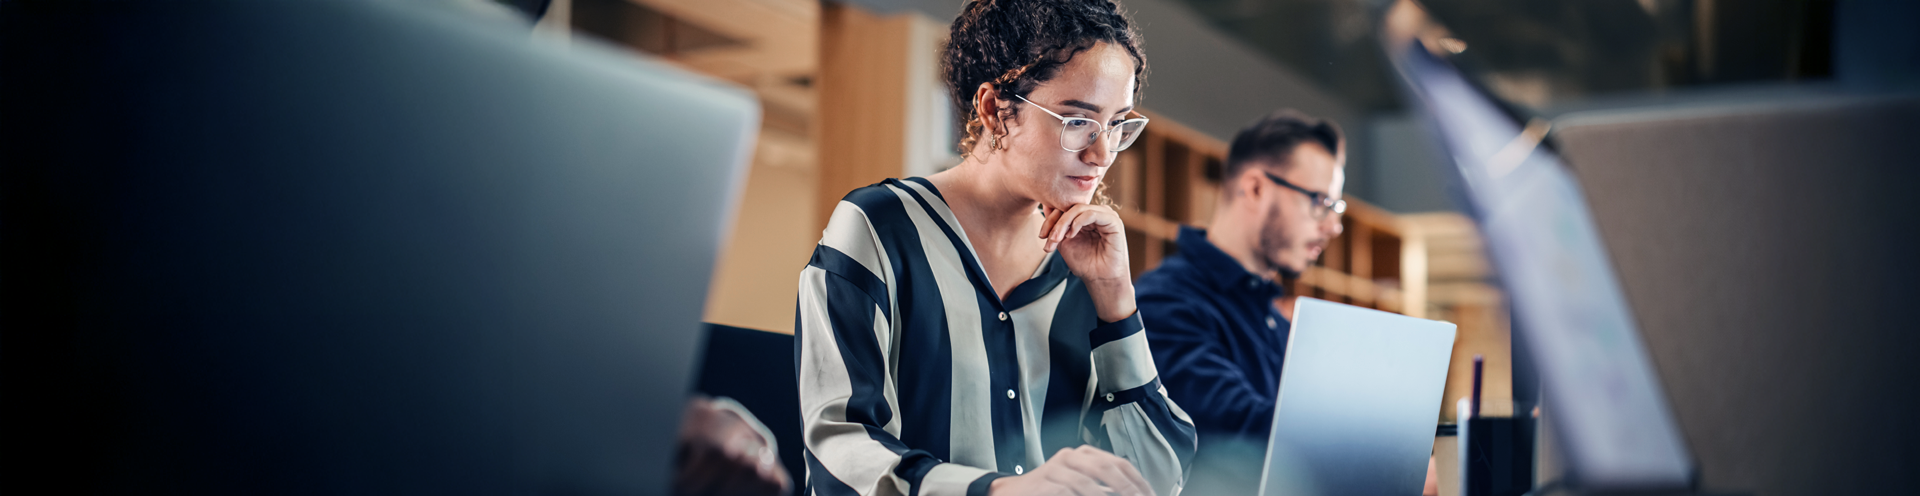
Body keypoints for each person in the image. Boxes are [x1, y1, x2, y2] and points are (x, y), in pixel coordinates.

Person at [794, 1, 1196, 495]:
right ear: (994, 110)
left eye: (1116, 125)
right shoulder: (879, 228)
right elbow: (839, 453)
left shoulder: (1084, 268)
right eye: (1077, 122)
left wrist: (1116, 302)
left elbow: (1159, 479)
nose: (1102, 153)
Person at [1134, 110, 1351, 495]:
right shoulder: (1164, 302)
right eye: (1320, 201)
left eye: (1335, 208)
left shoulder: (1277, 324)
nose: (1332, 227)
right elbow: (1236, 431)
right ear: (1255, 189)